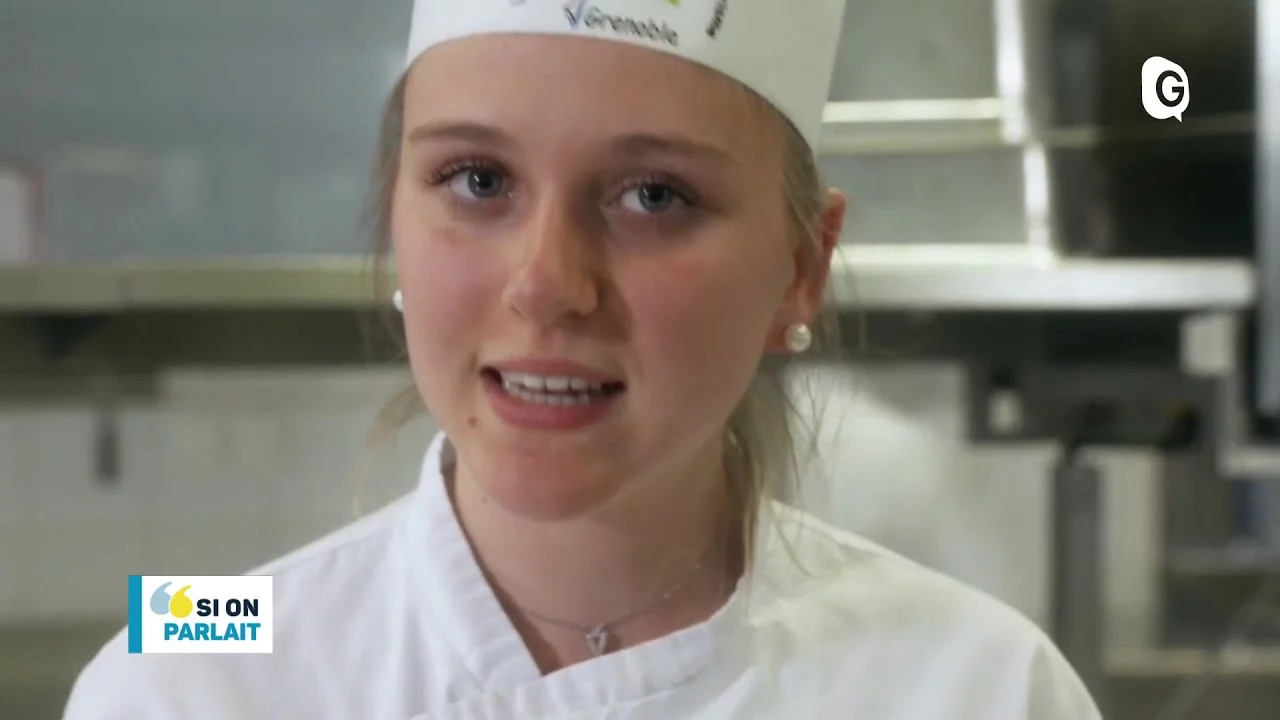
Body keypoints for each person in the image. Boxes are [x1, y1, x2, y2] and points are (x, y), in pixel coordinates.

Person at [64, 1, 1103, 718]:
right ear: (394, 216)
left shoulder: (979, 685)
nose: (547, 283)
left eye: (653, 196)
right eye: (477, 180)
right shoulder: (191, 670)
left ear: (800, 266)